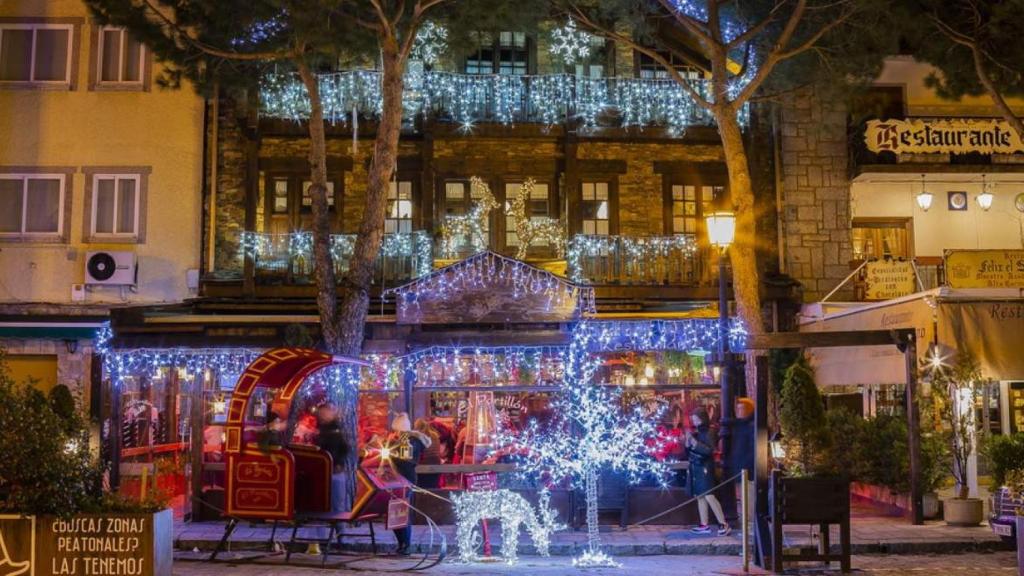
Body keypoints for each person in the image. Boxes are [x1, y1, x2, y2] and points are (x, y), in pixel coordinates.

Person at [389, 412, 432, 556]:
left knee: (402, 512)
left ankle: (405, 544)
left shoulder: (410, 441)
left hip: (405, 480)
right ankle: (401, 543)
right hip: (396, 480)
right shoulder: (401, 440)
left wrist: (390, 452)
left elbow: (405, 460)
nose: (394, 432)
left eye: (396, 429)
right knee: (394, 512)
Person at [687, 408, 730, 536]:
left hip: (706, 467)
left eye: (696, 419)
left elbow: (710, 450)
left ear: (702, 418)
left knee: (709, 495)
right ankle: (704, 524)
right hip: (698, 467)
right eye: (693, 419)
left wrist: (694, 443)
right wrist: (688, 443)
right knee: (700, 496)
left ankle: (723, 523)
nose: (694, 422)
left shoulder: (710, 432)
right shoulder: (698, 432)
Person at [315, 402, 350, 513]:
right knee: (321, 504)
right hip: (323, 471)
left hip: (335, 470)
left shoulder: (337, 429)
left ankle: (341, 528)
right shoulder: (320, 429)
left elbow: (345, 448)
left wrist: (339, 463)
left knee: (338, 503)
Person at [413, 419, 442, 489]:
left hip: (423, 465)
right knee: (433, 486)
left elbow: (417, 452)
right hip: (436, 464)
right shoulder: (435, 435)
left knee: (421, 487)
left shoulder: (418, 436)